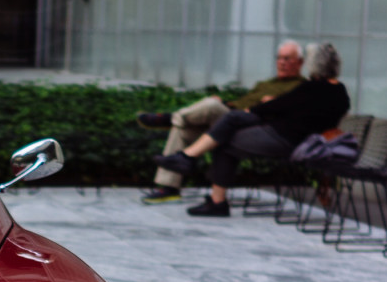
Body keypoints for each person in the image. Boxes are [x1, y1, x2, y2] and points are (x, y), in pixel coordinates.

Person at [155, 41, 351, 218]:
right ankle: (193, 168)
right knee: (231, 123)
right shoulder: (340, 92)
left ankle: (204, 183)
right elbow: (290, 109)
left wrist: (255, 109)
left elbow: (279, 106)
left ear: (313, 64)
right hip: (297, 140)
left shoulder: (312, 88)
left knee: (224, 137)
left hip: (284, 139)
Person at [136, 41, 303, 204]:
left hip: (253, 127)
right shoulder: (266, 83)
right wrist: (225, 103)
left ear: (300, 62)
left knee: (210, 106)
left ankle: (171, 118)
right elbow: (241, 103)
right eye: (279, 58)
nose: (282, 62)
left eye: (287, 58)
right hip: (231, 119)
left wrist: (273, 104)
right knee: (182, 128)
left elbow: (293, 116)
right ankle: (169, 188)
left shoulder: (301, 87)